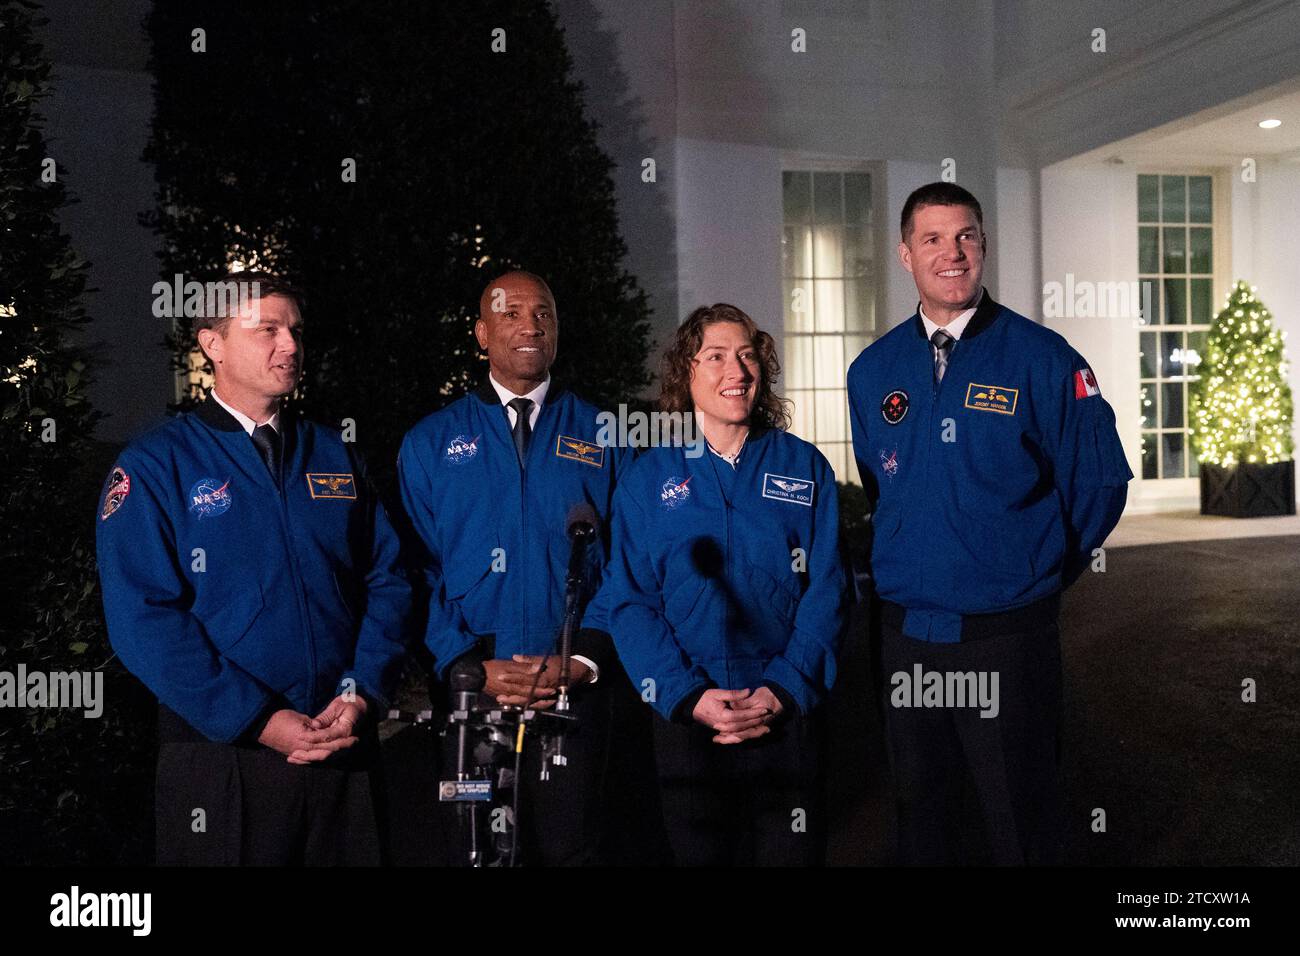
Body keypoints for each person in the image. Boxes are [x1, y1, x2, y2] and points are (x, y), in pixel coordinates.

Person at [847, 182, 1132, 865]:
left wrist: (1031, 569)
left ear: (984, 245)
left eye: (967, 235)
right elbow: (879, 481)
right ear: (905, 254)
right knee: (922, 821)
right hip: (907, 639)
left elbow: (1098, 483)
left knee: (1020, 821)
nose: (954, 252)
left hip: (1005, 641)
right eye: (934, 239)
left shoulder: (1042, 357)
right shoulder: (872, 370)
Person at [96, 273, 411, 865]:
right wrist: (257, 718)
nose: (289, 345)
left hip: (342, 744)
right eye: (267, 329)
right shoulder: (157, 465)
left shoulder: (334, 453)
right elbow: (142, 619)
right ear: (212, 343)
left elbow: (387, 579)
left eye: (293, 331)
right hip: (223, 760)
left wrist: (362, 693)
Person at [397, 270, 638, 865]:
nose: (530, 324)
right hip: (472, 697)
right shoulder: (429, 443)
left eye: (545, 313)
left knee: (572, 849)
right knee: (477, 853)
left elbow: (631, 563)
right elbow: (411, 571)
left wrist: (582, 659)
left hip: (572, 693)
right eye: (510, 313)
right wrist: (466, 666)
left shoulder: (606, 434)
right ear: (480, 332)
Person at [594, 303, 849, 866]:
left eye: (747, 355)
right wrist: (686, 696)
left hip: (785, 714)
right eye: (715, 357)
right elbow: (631, 602)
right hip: (690, 720)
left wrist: (782, 689)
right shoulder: (647, 478)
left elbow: (829, 589)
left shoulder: (804, 468)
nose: (735, 370)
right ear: (686, 373)